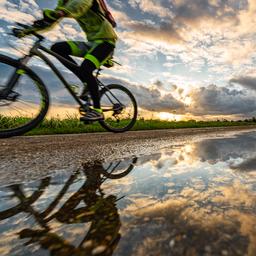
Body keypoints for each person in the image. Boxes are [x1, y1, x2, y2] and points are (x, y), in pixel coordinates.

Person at [27, 0, 118, 122]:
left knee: (86, 69)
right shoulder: (63, 2)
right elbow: (52, 19)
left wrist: (61, 12)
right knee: (57, 49)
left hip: (106, 41)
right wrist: (28, 30)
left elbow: (80, 5)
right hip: (91, 43)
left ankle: (97, 111)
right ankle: (86, 80)